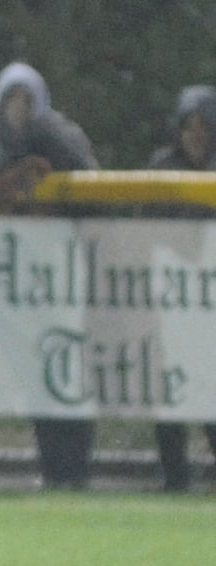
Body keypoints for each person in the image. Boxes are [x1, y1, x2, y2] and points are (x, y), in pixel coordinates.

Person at [0, 61, 99, 490]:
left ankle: (74, 470)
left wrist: (48, 138)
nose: (19, 110)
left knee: (65, 374)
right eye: (11, 99)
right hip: (11, 288)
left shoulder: (62, 138)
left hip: (58, 283)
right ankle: (53, 470)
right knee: (34, 381)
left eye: (27, 100)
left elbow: (91, 184)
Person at [145, 85, 216, 492]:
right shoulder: (163, 167)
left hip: (209, 307)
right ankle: (174, 476)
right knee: (168, 391)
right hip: (172, 301)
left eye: (204, 127)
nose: (196, 135)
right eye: (189, 127)